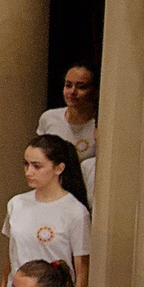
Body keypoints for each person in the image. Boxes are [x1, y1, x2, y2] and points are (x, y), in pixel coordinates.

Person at [0, 135, 90, 287]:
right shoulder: (16, 204)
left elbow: (81, 272)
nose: (28, 172)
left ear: (58, 168)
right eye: (26, 164)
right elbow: (11, 260)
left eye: (37, 166)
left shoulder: (75, 212)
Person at [38, 63, 97, 201]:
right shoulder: (49, 118)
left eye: (81, 87)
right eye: (68, 85)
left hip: (88, 196)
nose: (72, 92)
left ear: (95, 91)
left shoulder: (100, 124)